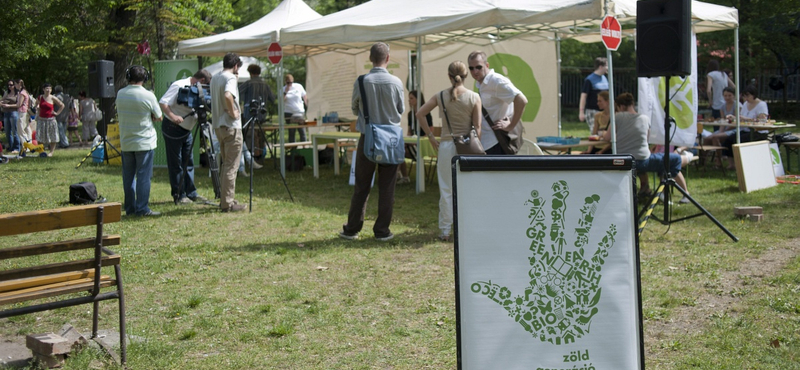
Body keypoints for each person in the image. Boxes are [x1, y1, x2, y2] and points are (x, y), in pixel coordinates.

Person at [340, 42, 404, 241]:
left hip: (368, 136)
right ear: (388, 58)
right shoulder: (396, 82)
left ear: (370, 58)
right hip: (391, 139)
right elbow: (400, 109)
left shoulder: (362, 81)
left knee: (362, 185)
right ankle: (382, 230)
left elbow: (354, 108)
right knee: (387, 187)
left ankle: (352, 228)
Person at [416, 61, 481, 241]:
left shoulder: (440, 96)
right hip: (467, 146)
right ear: (466, 75)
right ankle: (466, 228)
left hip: (445, 145)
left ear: (449, 76)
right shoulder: (474, 97)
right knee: (467, 189)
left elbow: (419, 113)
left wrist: (430, 136)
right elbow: (478, 127)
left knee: (446, 189)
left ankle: (445, 230)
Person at [604, 93, 692, 204]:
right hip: (643, 160)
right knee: (674, 159)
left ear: (621, 106)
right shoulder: (644, 118)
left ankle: (649, 190)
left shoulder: (618, 117)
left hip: (624, 160)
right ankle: (683, 193)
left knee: (663, 162)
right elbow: (646, 140)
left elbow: (608, 137)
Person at [159, 69, 212, 205]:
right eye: (206, 86)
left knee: (188, 162)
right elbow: (163, 102)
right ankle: (179, 195)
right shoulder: (179, 85)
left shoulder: (197, 88)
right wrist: (173, 116)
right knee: (176, 163)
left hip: (187, 130)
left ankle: (191, 193)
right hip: (173, 128)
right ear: (201, 81)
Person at [116, 65, 162, 216]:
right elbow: (159, 116)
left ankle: (130, 209)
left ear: (128, 77)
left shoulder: (120, 94)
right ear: (145, 78)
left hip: (126, 141)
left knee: (128, 177)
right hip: (144, 141)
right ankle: (142, 209)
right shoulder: (148, 95)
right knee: (143, 177)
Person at [467, 50, 528, 155]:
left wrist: (510, 125)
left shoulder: (496, 80)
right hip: (487, 142)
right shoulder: (481, 83)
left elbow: (521, 100)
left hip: (498, 142)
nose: (475, 71)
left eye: (478, 67)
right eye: (471, 68)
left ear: (487, 65)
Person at [210, 52, 246, 212]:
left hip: (218, 126)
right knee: (231, 167)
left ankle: (225, 198)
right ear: (236, 65)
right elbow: (227, 95)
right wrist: (233, 112)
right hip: (231, 126)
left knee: (226, 165)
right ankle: (227, 203)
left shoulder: (215, 77)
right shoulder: (230, 78)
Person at [238, 64, 275, 176]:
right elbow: (273, 98)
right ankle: (260, 158)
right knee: (261, 137)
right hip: (262, 115)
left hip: (250, 115)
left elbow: (237, 93)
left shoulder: (248, 83)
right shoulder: (265, 84)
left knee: (250, 138)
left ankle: (252, 159)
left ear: (250, 73)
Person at [721, 85, 769, 169]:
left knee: (739, 140)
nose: (746, 98)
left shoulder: (761, 105)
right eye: (744, 96)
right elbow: (741, 117)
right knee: (728, 140)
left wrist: (746, 119)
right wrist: (734, 118)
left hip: (757, 131)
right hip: (745, 130)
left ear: (753, 95)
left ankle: (743, 163)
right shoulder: (746, 104)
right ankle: (732, 164)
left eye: (748, 96)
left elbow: (762, 121)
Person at [397, 90, 432, 184]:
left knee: (400, 151)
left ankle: (401, 175)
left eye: (412, 98)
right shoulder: (410, 114)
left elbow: (430, 131)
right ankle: (402, 175)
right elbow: (409, 131)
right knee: (399, 150)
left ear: (418, 99)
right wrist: (408, 139)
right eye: (409, 98)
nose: (409, 100)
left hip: (422, 144)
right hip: (412, 143)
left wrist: (417, 140)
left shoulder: (426, 113)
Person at [34, 83, 65, 157]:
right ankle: (41, 151)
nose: (48, 90)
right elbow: (36, 104)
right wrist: (37, 108)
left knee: (52, 136)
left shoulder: (53, 97)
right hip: (41, 119)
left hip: (50, 119)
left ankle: (51, 152)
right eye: (47, 88)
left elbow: (62, 105)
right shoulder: (40, 97)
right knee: (40, 136)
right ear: (43, 89)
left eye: (50, 88)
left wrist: (57, 113)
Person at [579, 57, 609, 132]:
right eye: (606, 66)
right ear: (600, 67)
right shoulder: (589, 79)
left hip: (604, 111)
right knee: (596, 132)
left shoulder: (605, 78)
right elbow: (583, 96)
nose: (607, 68)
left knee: (605, 132)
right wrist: (581, 112)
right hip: (593, 111)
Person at [282, 74, 308, 143]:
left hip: (299, 112)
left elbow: (304, 96)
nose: (290, 84)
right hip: (289, 112)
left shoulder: (298, 86)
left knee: (302, 130)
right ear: (285, 82)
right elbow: (281, 100)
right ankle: (293, 150)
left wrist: (307, 106)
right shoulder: (283, 89)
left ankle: (304, 147)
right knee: (291, 131)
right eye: (288, 83)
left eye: (291, 82)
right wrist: (286, 91)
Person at [1, 80, 21, 153]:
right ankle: (11, 146)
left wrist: (9, 105)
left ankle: (17, 147)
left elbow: (18, 104)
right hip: (6, 113)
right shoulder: (7, 93)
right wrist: (2, 103)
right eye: (8, 85)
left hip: (14, 113)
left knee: (14, 131)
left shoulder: (18, 93)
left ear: (14, 85)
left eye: (11, 85)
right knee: (7, 131)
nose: (9, 86)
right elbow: (2, 100)